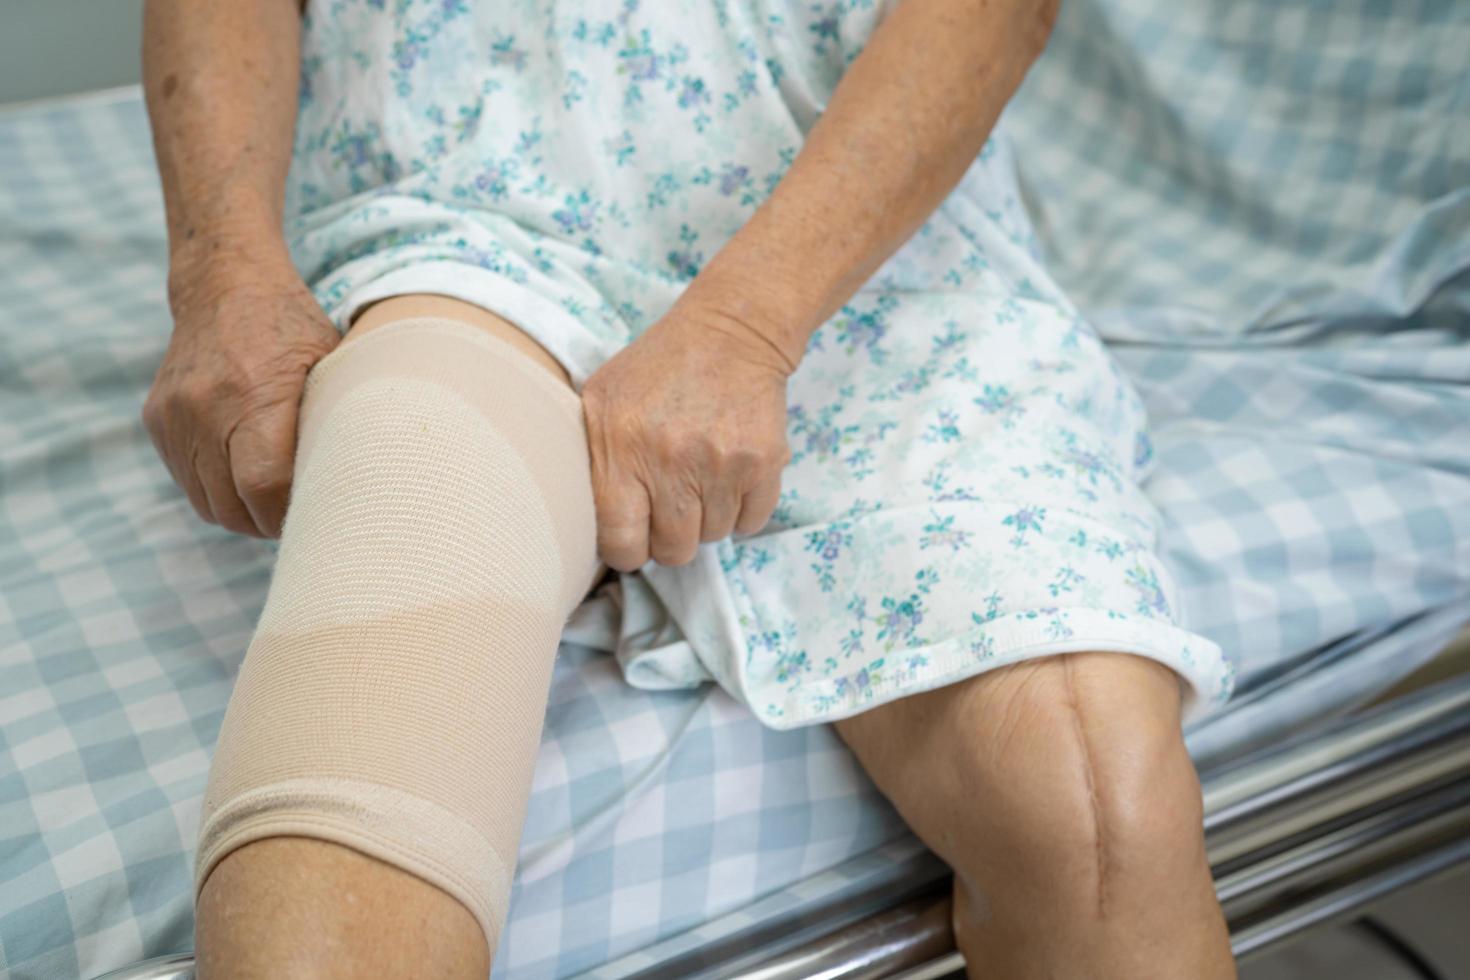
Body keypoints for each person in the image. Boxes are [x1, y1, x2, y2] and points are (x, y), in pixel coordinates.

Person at [141, 0, 1237, 976]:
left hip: (874, 254)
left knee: (1094, 820)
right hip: (473, 205)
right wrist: (221, 273)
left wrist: (746, 324)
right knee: (358, 789)